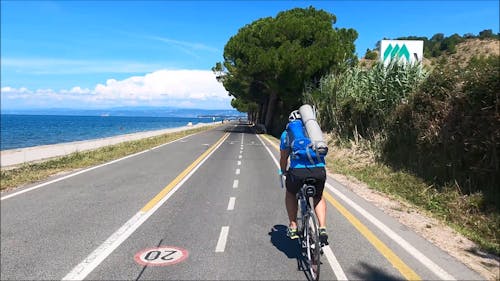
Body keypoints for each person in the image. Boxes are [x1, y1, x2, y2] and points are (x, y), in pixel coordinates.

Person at [279, 110, 329, 245]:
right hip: (319, 171)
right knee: (318, 196)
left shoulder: (287, 134)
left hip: (298, 172)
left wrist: (283, 171)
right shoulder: (315, 133)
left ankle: (293, 226)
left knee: (290, 193)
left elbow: (284, 157)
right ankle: (322, 228)